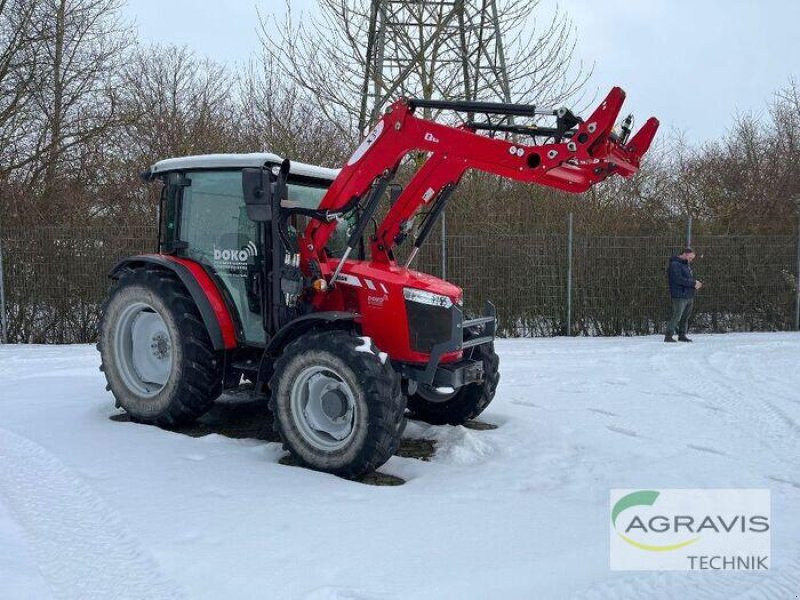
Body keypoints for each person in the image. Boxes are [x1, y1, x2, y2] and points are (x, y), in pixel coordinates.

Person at [665, 247, 702, 342]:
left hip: (688, 294)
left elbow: (686, 279)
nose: (691, 260)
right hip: (679, 295)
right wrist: (693, 283)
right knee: (677, 315)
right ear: (685, 254)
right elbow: (678, 279)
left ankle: (682, 335)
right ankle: (668, 335)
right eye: (690, 258)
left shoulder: (685, 265)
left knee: (685, 317)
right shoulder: (674, 265)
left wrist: (695, 284)